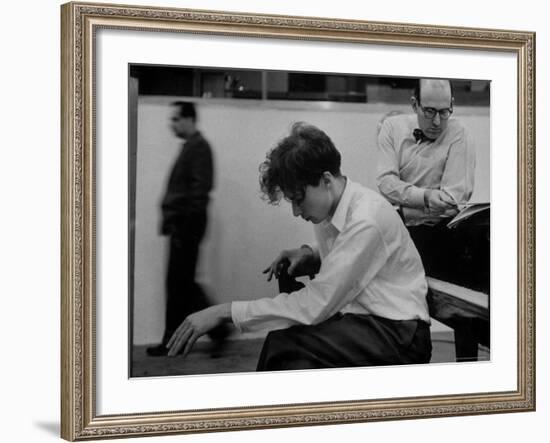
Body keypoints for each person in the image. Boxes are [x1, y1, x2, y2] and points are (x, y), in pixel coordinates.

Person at [166, 122, 432, 371]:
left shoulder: (366, 218)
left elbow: (316, 304)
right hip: (367, 319)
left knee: (283, 347)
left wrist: (225, 312)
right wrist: (312, 254)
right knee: (284, 342)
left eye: (298, 199)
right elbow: (354, 254)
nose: (295, 211)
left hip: (400, 334)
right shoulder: (339, 207)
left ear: (326, 180)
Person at [147, 101, 226, 357]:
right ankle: (175, 340)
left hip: (185, 228)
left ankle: (218, 330)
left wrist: (184, 228)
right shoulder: (191, 148)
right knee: (180, 285)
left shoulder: (199, 148)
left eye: (177, 119)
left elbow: (199, 192)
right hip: (181, 227)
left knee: (183, 285)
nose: (173, 124)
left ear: (190, 120)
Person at [376, 78, 476, 281]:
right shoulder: (391, 127)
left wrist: (402, 212)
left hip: (437, 239)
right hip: (393, 234)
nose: (437, 122)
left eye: (444, 112)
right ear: (415, 105)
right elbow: (385, 183)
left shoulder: (460, 134)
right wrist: (427, 196)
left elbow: (451, 204)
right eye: (429, 111)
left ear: (452, 106)